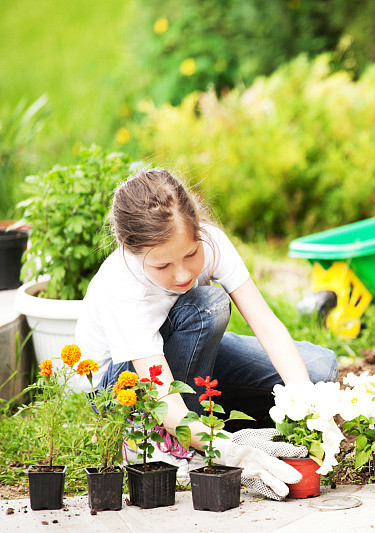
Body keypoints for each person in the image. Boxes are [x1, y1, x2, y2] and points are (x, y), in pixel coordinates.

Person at [75, 168, 338, 499]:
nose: (183, 273)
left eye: (190, 254)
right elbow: (164, 400)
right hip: (122, 385)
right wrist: (229, 452)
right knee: (207, 306)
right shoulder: (123, 287)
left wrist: (308, 406)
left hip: (183, 351)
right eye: (162, 266)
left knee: (318, 370)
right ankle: (162, 441)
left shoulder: (212, 242)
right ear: (131, 251)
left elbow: (267, 326)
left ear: (197, 228)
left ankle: (210, 429)